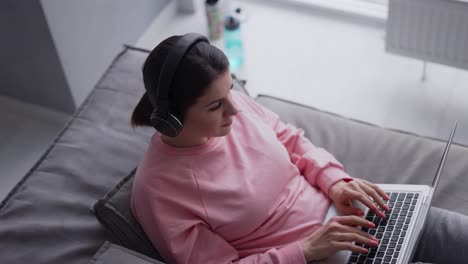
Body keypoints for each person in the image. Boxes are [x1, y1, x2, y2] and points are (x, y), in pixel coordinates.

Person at [130, 34, 468, 264]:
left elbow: (290, 139)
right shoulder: (159, 191)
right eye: (216, 105)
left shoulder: (237, 110)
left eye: (231, 91)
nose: (235, 110)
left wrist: (335, 182)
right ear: (172, 118)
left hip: (352, 216)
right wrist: (305, 249)